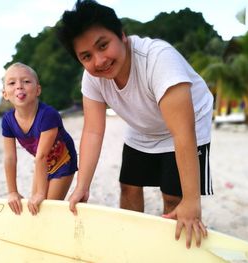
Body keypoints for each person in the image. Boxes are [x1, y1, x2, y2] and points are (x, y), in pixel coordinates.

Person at [57, 0, 213, 248]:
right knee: (129, 187)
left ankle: (175, 247)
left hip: (189, 123)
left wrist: (192, 202)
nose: (99, 61)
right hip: (143, 126)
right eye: (86, 56)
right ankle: (131, 242)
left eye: (103, 45)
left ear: (122, 35)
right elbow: (93, 131)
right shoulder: (93, 78)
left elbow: (183, 134)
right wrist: (82, 186)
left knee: (175, 198)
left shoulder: (159, 59)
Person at [1, 62, 78, 216]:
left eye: (26, 81)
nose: (19, 86)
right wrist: (12, 192)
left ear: (38, 90)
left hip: (63, 160)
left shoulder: (48, 115)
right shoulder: (8, 120)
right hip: (41, 165)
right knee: (34, 208)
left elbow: (41, 155)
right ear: (5, 94)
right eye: (12, 83)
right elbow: (10, 157)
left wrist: (41, 193)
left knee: (47, 207)